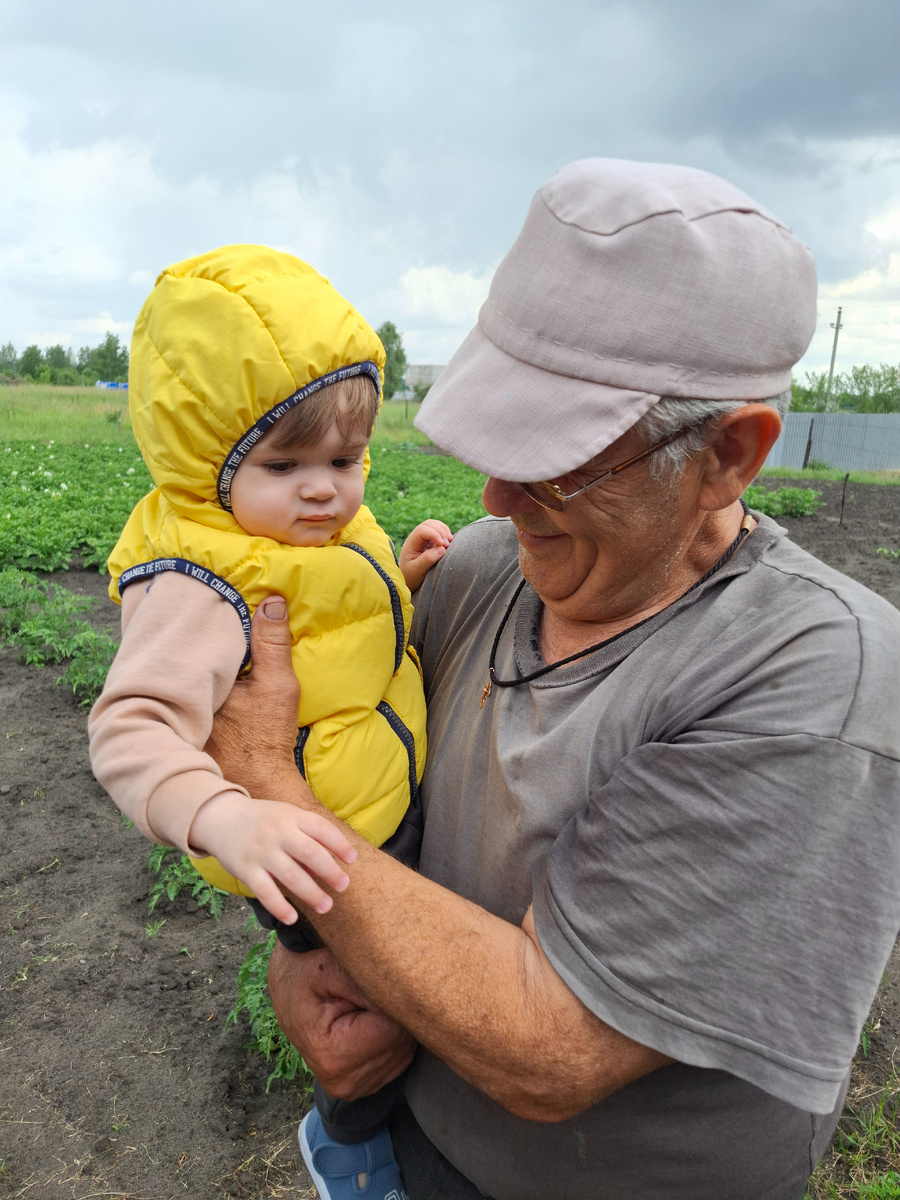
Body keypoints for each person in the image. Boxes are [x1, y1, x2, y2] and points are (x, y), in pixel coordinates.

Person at [205, 161, 900, 1200]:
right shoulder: (481, 568)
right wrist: (299, 969)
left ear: (727, 456)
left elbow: (549, 1043)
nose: (494, 492)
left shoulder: (809, 679)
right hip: (410, 1134)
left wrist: (272, 788)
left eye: (557, 456)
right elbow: (380, 835)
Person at [88, 245, 452, 1200]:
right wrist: (228, 817)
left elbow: (332, 640)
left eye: (345, 458)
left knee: (423, 974)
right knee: (368, 1014)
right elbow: (129, 729)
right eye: (285, 463)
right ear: (203, 466)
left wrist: (398, 585)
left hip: (369, 802)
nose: (325, 488)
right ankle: (352, 1147)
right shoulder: (201, 582)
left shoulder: (308, 531)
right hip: (301, 845)